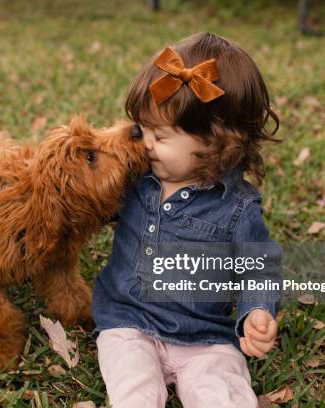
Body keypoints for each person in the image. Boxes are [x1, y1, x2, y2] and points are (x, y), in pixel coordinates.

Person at [92, 32, 282, 407]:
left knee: (222, 392)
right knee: (132, 390)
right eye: (142, 128)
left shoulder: (237, 207)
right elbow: (90, 207)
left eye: (160, 135)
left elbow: (259, 268)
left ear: (215, 142)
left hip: (205, 337)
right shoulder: (136, 181)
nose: (145, 142)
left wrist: (257, 310)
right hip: (127, 323)